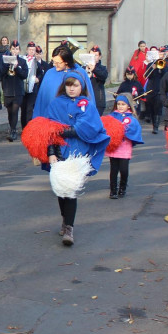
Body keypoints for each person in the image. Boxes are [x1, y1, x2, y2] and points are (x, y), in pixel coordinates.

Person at [41, 75, 109, 246]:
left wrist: (64, 130)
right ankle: (65, 219)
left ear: (82, 87)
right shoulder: (55, 104)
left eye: (76, 85)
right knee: (60, 189)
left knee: (70, 189)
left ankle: (69, 227)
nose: (72, 89)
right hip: (59, 151)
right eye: (69, 85)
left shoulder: (88, 105)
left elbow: (88, 127)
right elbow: (49, 129)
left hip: (78, 152)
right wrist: (50, 152)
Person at [33, 43, 94, 121]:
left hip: (75, 121)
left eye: (58, 63)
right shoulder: (50, 73)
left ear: (66, 62)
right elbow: (42, 99)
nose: (54, 65)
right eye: (53, 61)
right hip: (52, 119)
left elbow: (89, 96)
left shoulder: (80, 73)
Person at [106, 94, 143, 199]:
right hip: (114, 147)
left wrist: (124, 130)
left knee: (123, 169)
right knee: (113, 169)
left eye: (123, 104)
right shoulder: (112, 116)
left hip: (125, 146)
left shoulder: (131, 118)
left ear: (128, 106)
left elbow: (135, 130)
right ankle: (113, 190)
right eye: (118, 104)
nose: (120, 106)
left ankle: (122, 187)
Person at [0, 41, 27, 140]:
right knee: (10, 112)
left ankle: (13, 131)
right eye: (13, 49)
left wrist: (17, 68)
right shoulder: (5, 60)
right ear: (10, 49)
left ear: (19, 50)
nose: (15, 51)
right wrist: (8, 65)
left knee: (15, 111)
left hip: (18, 91)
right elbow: (1, 73)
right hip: (8, 90)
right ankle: (12, 128)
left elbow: (24, 75)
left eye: (17, 49)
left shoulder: (22, 62)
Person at [20, 41, 45, 128]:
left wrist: (38, 78)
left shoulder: (37, 63)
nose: (31, 51)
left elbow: (41, 73)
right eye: (30, 49)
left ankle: (29, 127)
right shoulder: (22, 60)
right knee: (23, 108)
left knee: (29, 109)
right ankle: (24, 126)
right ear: (27, 50)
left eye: (33, 50)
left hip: (32, 88)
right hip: (23, 88)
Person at [87, 45, 109, 114]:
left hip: (98, 100)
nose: (93, 57)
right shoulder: (84, 68)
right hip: (86, 99)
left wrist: (94, 69)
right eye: (91, 55)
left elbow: (103, 76)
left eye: (95, 55)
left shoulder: (102, 68)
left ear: (99, 57)